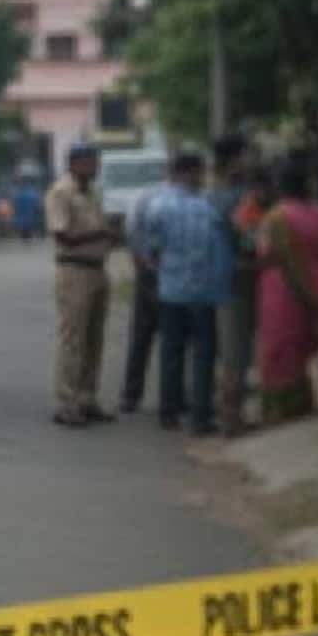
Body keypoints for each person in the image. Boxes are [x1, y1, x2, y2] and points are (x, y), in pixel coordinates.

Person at [139, 150, 230, 434]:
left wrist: (159, 270)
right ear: (188, 173)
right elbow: (218, 251)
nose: (202, 177)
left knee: (171, 350)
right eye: (200, 171)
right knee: (203, 353)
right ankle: (201, 417)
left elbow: (148, 250)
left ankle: (169, 413)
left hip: (171, 290)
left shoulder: (157, 206)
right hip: (203, 292)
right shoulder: (207, 207)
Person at [256, 155, 318, 424]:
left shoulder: (276, 218)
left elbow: (264, 255)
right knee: (309, 341)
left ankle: (281, 410)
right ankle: (312, 400)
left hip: (282, 288)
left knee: (282, 346)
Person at [46, 143, 116, 428]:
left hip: (97, 269)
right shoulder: (61, 192)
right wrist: (99, 232)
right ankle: (67, 402)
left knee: (94, 337)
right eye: (89, 162)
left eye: (96, 162)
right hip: (74, 270)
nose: (95, 168)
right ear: (74, 164)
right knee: (73, 337)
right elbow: (63, 236)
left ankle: (88, 398)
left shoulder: (91, 193)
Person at [208, 135, 257, 436]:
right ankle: (231, 416)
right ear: (236, 159)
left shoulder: (211, 193)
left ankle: (228, 411)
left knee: (229, 347)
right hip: (239, 275)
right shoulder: (240, 197)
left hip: (217, 276)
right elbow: (250, 238)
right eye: (247, 155)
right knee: (236, 349)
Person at [119, 169, 175, 413]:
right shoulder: (191, 200)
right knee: (174, 338)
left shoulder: (145, 197)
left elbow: (130, 228)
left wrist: (138, 258)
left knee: (141, 335)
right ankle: (173, 398)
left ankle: (131, 395)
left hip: (147, 272)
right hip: (174, 274)